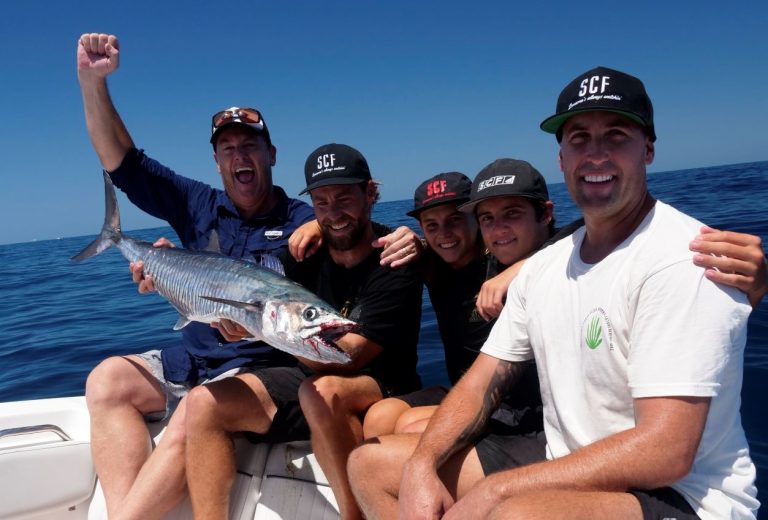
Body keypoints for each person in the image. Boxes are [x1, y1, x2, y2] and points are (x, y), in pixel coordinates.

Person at [349, 66, 762, 520]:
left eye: (617, 135)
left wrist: (496, 491)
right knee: (372, 466)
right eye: (579, 138)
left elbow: (666, 451)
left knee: (516, 514)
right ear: (562, 158)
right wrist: (422, 466)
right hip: (562, 455)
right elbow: (482, 379)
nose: (596, 154)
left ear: (648, 149)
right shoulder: (544, 266)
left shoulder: (685, 259)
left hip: (682, 495)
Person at [76, 33, 317, 519]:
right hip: (194, 356)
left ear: (272, 153)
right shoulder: (199, 204)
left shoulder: (302, 222)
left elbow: (356, 238)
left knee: (194, 411)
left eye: (249, 145)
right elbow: (123, 161)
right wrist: (91, 81)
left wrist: (406, 239)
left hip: (252, 372)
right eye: (227, 148)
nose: (239, 156)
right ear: (216, 160)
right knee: (106, 382)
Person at [182, 143, 423, 519]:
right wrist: (172, 273)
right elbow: (240, 283)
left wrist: (261, 328)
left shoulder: (394, 258)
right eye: (321, 203)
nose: (334, 213)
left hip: (380, 382)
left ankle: (352, 515)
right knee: (203, 403)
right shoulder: (301, 255)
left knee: (322, 389)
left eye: (344, 198)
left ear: (371, 194)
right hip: (304, 368)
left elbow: (348, 357)